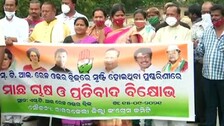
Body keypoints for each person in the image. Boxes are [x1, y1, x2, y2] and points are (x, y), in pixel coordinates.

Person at [196, 4, 224, 126]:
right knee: (210, 108)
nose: (214, 18)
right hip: (208, 77)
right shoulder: (207, 32)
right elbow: (200, 52)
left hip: (222, 78)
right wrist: (195, 46)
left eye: (217, 15)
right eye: (212, 16)